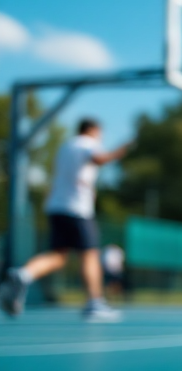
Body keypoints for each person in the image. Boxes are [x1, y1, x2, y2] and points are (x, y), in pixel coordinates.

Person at [1, 118, 130, 321]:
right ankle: (94, 303)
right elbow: (98, 159)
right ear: (93, 130)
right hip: (77, 209)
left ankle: (23, 274)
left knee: (58, 256)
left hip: (57, 207)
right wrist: (120, 151)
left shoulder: (65, 147)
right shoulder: (87, 143)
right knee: (90, 255)